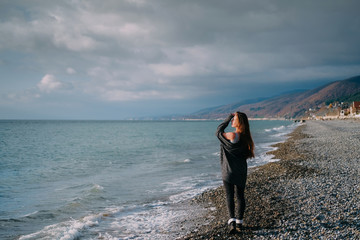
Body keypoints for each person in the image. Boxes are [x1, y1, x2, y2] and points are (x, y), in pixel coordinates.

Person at [215, 112, 255, 233]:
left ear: (239, 122)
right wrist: (232, 117)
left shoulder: (231, 135)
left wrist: (227, 118)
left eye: (234, 119)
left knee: (229, 196)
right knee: (240, 196)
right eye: (231, 119)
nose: (232, 121)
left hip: (229, 171)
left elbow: (218, 132)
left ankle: (232, 222)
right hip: (241, 171)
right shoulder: (246, 138)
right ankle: (240, 223)